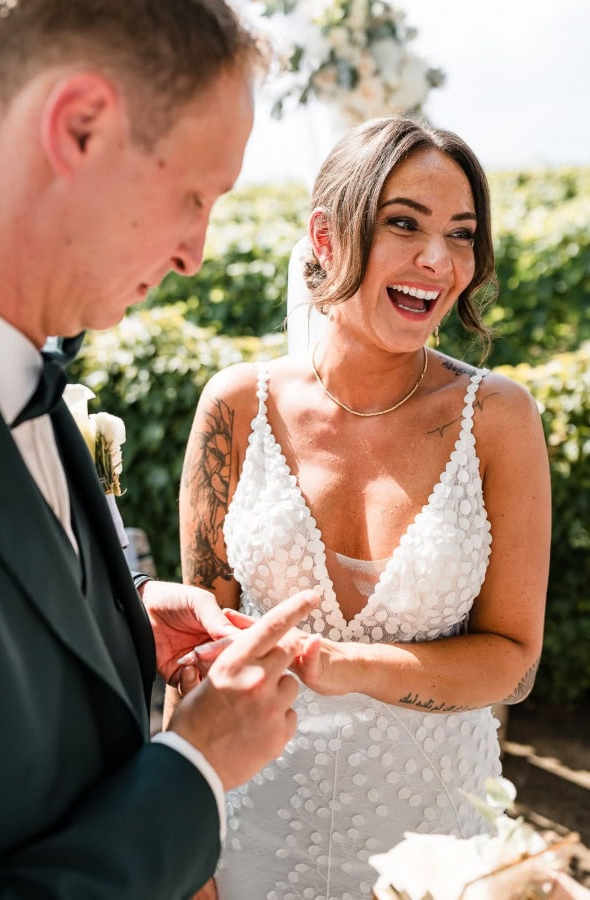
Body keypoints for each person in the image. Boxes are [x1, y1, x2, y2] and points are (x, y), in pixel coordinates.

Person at [0, 1, 321, 897]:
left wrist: (127, 619)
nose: (196, 255)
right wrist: (193, 770)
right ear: (81, 126)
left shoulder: (35, 379)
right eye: (194, 197)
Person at [178, 115, 552, 898]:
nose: (437, 260)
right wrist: (191, 854)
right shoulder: (237, 408)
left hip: (436, 844)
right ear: (325, 234)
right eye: (403, 223)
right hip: (253, 832)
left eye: (461, 234)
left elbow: (512, 659)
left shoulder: (500, 420)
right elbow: (193, 661)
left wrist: (350, 667)